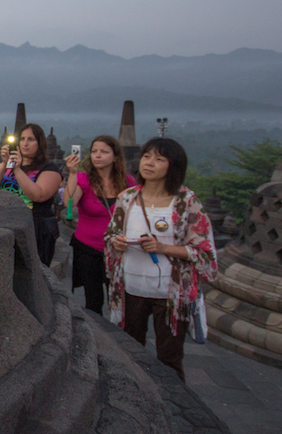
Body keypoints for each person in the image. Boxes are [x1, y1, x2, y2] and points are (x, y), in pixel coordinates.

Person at [104, 138, 217, 381]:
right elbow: (111, 234)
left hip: (170, 292)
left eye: (159, 159)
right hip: (131, 286)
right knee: (129, 350)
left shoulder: (187, 202)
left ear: (172, 166)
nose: (150, 163)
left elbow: (205, 253)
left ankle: (176, 407)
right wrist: (117, 242)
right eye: (146, 156)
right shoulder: (127, 198)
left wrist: (163, 247)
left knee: (169, 358)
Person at [63, 136, 135, 315]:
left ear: (115, 157)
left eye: (104, 152)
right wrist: (72, 173)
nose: (98, 156)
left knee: (119, 300)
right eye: (94, 151)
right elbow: (69, 203)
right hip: (88, 248)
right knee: (93, 301)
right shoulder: (82, 179)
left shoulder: (128, 182)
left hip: (118, 249)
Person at [0, 123, 63, 265]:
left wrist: (18, 170)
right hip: (6, 222)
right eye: (22, 139)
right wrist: (4, 163)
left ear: (40, 143)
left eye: (31, 139)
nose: (25, 143)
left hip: (35, 227)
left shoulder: (49, 168)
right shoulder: (8, 164)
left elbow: (38, 195)